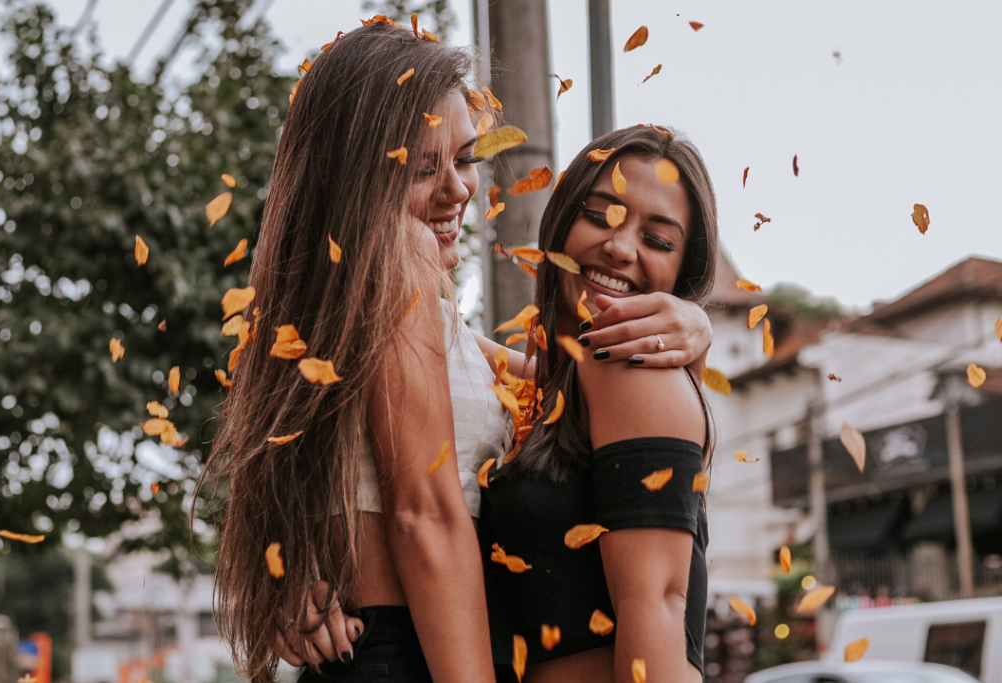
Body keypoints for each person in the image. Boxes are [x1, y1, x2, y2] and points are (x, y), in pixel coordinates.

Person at [200, 21, 715, 683]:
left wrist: (692, 323)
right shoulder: (401, 260)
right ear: (358, 175)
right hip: (411, 655)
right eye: (422, 168)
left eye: (466, 158)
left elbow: (554, 385)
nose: (457, 190)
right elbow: (424, 513)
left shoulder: (372, 304)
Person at [479, 125, 718, 683]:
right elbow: (437, 342)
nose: (620, 246)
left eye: (658, 241)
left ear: (681, 273)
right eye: (600, 214)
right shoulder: (561, 386)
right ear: (560, 221)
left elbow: (658, 610)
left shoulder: (627, 370)